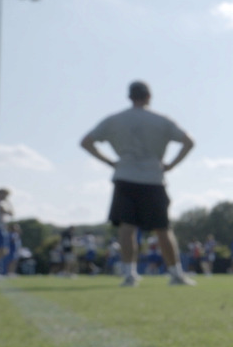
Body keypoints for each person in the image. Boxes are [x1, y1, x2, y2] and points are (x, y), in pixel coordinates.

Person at [80, 81, 196, 287]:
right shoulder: (161, 120)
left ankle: (129, 274)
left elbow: (86, 142)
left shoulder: (115, 120)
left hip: (125, 176)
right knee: (162, 228)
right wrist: (171, 165)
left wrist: (109, 162)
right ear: (149, 96)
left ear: (129, 97)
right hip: (153, 178)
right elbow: (189, 142)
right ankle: (176, 273)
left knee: (127, 227)